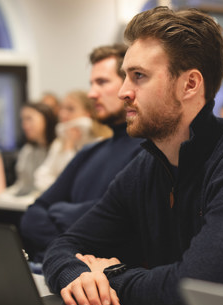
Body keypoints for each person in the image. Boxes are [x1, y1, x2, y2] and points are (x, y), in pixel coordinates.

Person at [42, 6, 223, 305]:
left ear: (190, 84)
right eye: (125, 76)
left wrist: (110, 276)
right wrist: (76, 276)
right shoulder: (147, 165)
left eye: (139, 77)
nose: (123, 92)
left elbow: (190, 292)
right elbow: (64, 245)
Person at [20, 44, 143, 263]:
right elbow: (35, 212)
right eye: (91, 84)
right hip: (54, 267)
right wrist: (65, 250)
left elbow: (111, 223)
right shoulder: (90, 151)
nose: (92, 93)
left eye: (102, 82)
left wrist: (58, 211)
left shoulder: (147, 153)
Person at [34, 90, 112, 192]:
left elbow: (75, 182)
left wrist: (68, 149)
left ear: (87, 113)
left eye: (70, 109)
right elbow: (41, 177)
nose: (63, 114)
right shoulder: (59, 143)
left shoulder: (100, 143)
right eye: (62, 108)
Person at [0, 102, 57, 203]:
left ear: (46, 118)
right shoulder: (28, 150)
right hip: (26, 202)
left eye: (29, 118)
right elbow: (22, 185)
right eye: (23, 120)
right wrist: (2, 197)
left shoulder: (58, 147)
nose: (24, 125)